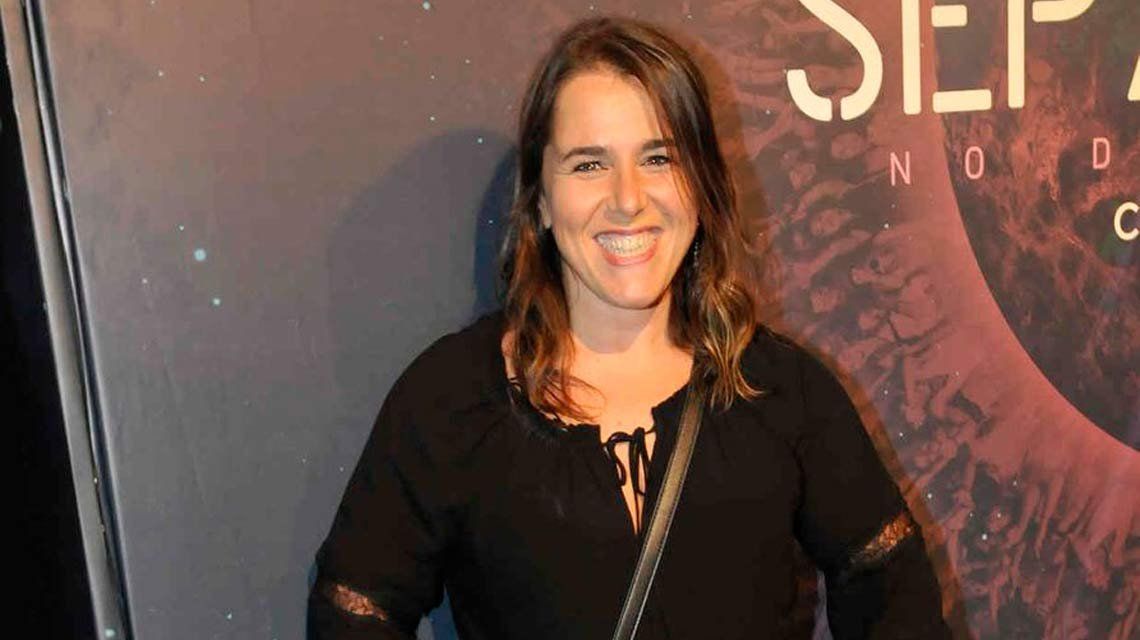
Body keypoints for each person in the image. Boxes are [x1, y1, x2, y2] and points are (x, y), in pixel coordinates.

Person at [307, 16, 951, 640]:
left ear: (702, 185)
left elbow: (895, 595)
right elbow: (355, 611)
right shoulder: (450, 401)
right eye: (589, 164)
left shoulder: (784, 392)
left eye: (659, 158)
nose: (628, 199)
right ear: (540, 199)